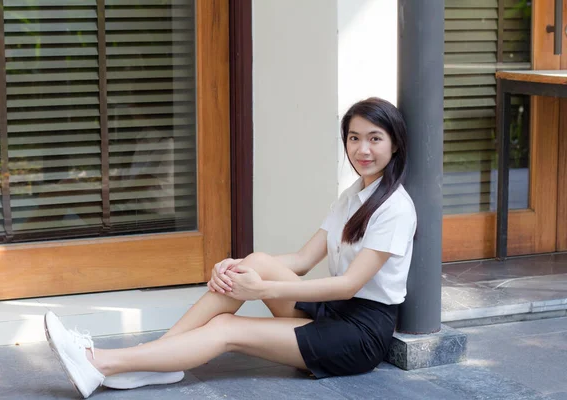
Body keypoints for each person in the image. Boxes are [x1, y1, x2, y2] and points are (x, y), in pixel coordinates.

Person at [43, 97, 417, 399]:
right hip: (337, 312)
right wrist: (235, 266)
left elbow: (349, 285)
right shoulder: (353, 197)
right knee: (253, 262)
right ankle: (162, 356)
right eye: (354, 138)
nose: (362, 149)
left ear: (394, 143)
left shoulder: (395, 208)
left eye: (374, 138)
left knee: (225, 329)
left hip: (361, 334)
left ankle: (100, 362)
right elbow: (303, 259)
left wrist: (263, 290)